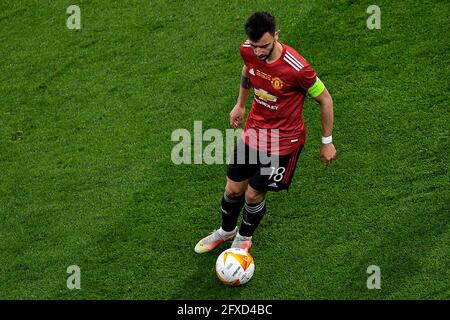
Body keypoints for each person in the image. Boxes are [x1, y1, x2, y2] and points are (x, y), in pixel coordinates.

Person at [194, 11, 336, 254]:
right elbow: (247, 71)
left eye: (264, 46)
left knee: (253, 193)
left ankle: (244, 238)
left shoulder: (298, 69)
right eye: (254, 45)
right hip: (254, 132)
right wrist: (240, 104)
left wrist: (327, 142)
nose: (258, 52)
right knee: (233, 189)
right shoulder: (248, 50)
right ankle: (226, 231)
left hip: (284, 142)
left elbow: (325, 99)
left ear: (277, 35)